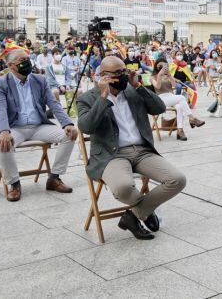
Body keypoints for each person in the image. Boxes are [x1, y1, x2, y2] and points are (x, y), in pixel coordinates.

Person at [76, 56, 186, 241]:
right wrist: (103, 97)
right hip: (112, 155)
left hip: (142, 151)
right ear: (103, 76)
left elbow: (159, 108)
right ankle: (145, 211)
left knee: (177, 179)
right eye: (117, 73)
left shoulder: (133, 91)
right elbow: (86, 127)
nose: (122, 76)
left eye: (124, 71)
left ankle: (134, 215)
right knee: (122, 187)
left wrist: (139, 86)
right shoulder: (88, 98)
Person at [0, 49, 78, 202]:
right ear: (11, 66)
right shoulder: (1, 82)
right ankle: (14, 184)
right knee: (1, 142)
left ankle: (54, 178)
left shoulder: (39, 79)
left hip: (38, 126)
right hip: (14, 127)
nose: (27, 63)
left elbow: (54, 104)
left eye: (27, 59)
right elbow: (0, 109)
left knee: (69, 135)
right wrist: (4, 131)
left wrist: (67, 123)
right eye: (22, 61)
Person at [152, 61, 206, 141]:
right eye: (160, 66)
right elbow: (158, 86)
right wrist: (160, 75)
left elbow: (174, 86)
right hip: (161, 98)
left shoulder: (167, 75)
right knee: (181, 97)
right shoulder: (153, 76)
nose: (162, 67)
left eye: (164, 65)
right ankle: (192, 118)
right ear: (156, 66)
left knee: (180, 107)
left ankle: (180, 131)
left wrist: (169, 76)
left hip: (170, 97)